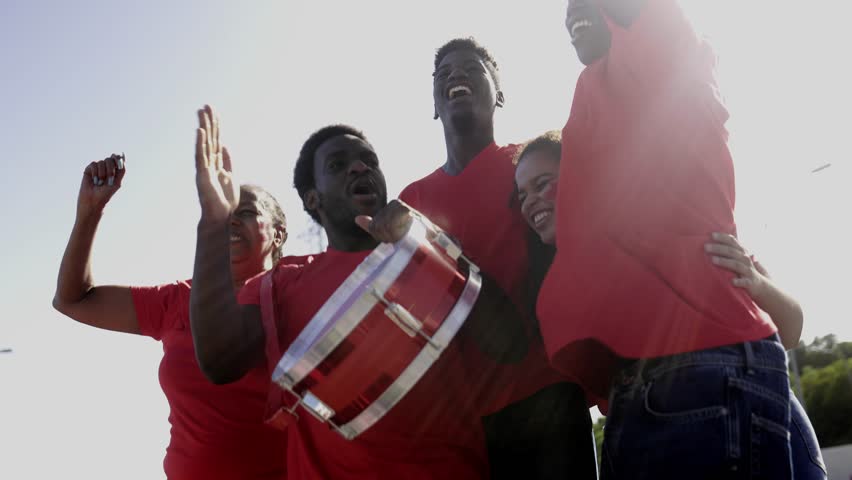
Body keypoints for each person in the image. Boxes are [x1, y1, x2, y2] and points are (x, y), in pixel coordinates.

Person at [189, 104, 528, 479]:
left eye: (370, 161)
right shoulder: (279, 287)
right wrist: (214, 222)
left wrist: (429, 245)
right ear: (313, 199)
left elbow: (511, 346)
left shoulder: (423, 253)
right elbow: (219, 363)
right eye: (337, 165)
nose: (359, 168)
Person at [515, 130, 827, 479]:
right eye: (522, 195)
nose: (530, 202)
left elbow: (792, 328)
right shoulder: (555, 287)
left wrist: (755, 281)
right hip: (641, 437)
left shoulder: (658, 232)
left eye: (542, 184)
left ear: (580, 177)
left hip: (753, 427)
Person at [360, 38, 597, 479]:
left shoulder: (530, 171)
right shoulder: (411, 203)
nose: (456, 74)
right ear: (434, 105)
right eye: (443, 72)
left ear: (499, 94)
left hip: (547, 399)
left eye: (472, 67)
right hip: (464, 423)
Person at [52, 152, 290, 479]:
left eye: (246, 212)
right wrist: (90, 211)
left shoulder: (301, 291)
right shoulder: (179, 300)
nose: (231, 220)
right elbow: (73, 301)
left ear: (278, 234)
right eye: (224, 213)